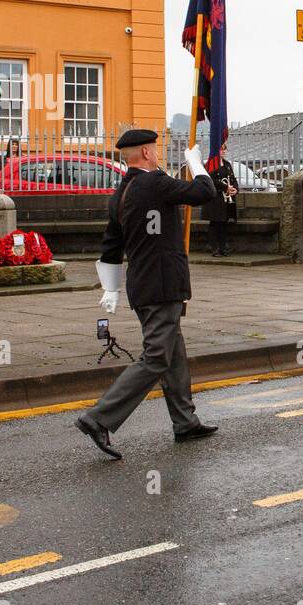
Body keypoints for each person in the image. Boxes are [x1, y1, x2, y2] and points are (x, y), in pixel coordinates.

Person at [75, 130, 218, 459]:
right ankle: (99, 419)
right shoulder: (155, 182)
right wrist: (195, 163)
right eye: (155, 148)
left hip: (142, 285)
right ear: (145, 152)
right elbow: (204, 191)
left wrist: (110, 288)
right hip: (163, 285)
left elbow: (111, 245)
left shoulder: (121, 193)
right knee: (156, 357)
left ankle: (185, 421)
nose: (158, 153)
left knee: (174, 353)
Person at [204, 140, 239, 256]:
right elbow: (211, 180)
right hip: (215, 199)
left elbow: (233, 179)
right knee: (215, 224)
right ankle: (215, 249)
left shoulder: (227, 164)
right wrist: (226, 187)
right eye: (221, 149)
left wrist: (235, 189)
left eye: (224, 149)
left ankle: (224, 248)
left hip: (226, 199)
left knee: (224, 223)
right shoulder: (210, 164)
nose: (223, 151)